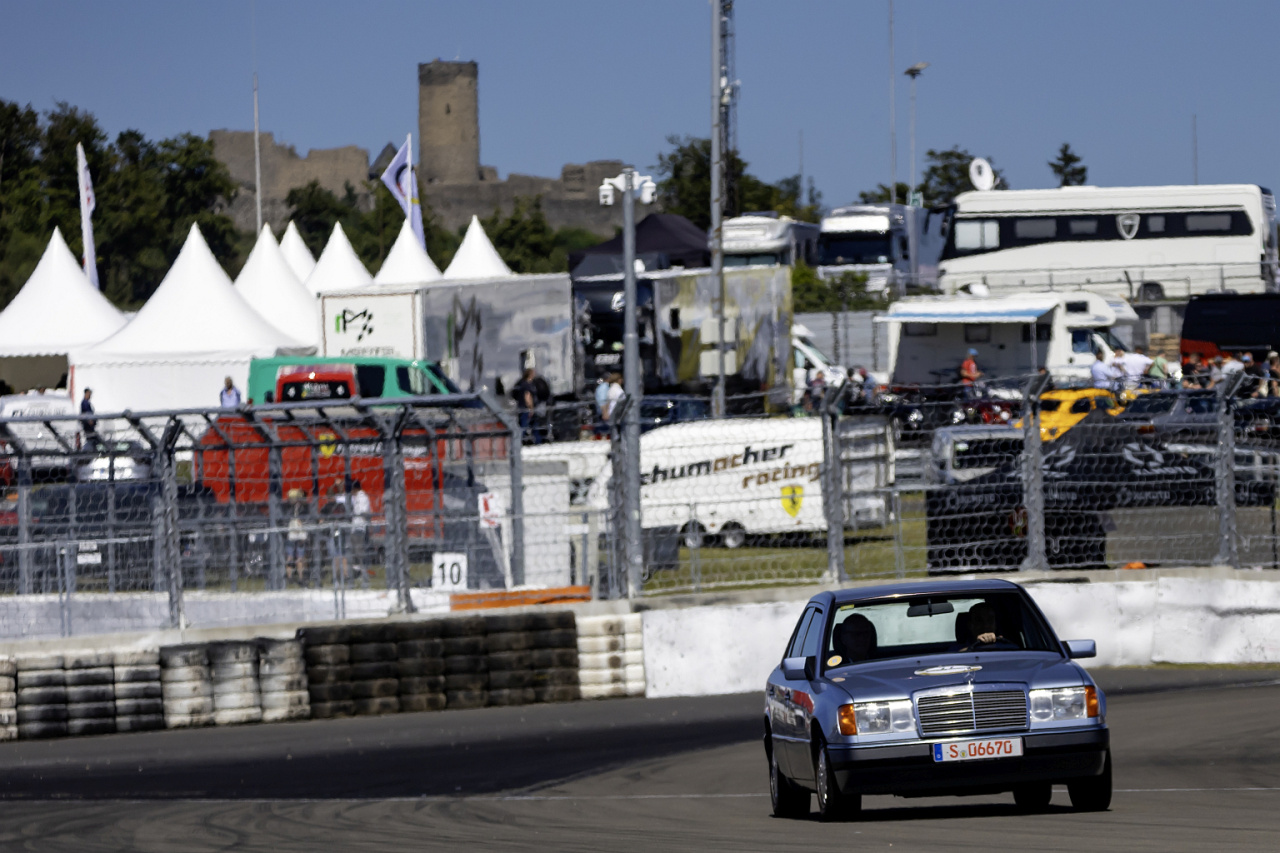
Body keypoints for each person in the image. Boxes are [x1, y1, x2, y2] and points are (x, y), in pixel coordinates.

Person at [349, 478, 372, 587]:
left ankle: (364, 575)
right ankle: (357, 574)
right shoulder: (356, 498)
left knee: (359, 552)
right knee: (354, 553)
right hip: (355, 527)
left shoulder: (362, 498)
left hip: (359, 527)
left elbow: (363, 512)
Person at [285, 489, 309, 586]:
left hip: (300, 534)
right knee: (290, 556)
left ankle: (300, 577)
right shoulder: (288, 508)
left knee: (300, 556)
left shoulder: (303, 508)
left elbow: (305, 520)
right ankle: (290, 577)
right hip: (291, 534)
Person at [512, 368, 540, 444]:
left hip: (524, 407)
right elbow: (527, 397)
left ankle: (536, 440)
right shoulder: (527, 384)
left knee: (531, 424)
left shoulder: (525, 383)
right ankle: (521, 441)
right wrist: (531, 408)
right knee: (524, 425)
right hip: (526, 408)